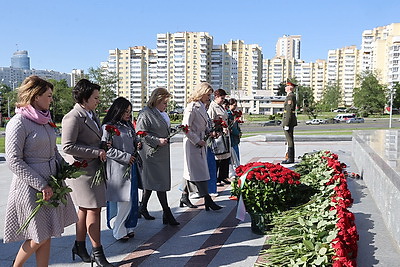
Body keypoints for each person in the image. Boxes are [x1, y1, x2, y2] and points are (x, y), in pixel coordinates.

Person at [4, 76, 77, 266]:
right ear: (36, 96)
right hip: (31, 187)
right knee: (38, 236)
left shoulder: (45, 120)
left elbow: (54, 151)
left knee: (47, 233)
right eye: (49, 95)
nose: (51, 99)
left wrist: (66, 168)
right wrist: (40, 184)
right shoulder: (18, 122)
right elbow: (13, 159)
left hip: (51, 182)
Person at [62, 79, 113, 266]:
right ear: (85, 97)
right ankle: (98, 253)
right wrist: (95, 151)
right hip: (82, 171)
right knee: (94, 209)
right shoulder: (73, 116)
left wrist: (101, 145)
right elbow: (67, 146)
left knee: (85, 209)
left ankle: (80, 245)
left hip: (93, 168)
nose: (98, 101)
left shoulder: (91, 114)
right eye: (96, 97)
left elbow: (89, 139)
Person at [135, 88, 179, 226]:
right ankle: (167, 213)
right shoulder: (146, 113)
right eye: (164, 103)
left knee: (153, 181)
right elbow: (140, 133)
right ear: (157, 100)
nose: (166, 105)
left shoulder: (160, 113)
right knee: (160, 182)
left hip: (160, 153)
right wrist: (156, 141)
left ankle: (142, 207)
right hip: (151, 154)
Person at [101, 97, 140, 241]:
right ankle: (118, 230)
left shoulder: (128, 125)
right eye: (126, 111)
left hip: (131, 166)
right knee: (122, 199)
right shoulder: (108, 127)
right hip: (117, 167)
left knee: (131, 199)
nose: (128, 114)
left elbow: (133, 140)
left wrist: (138, 143)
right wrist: (125, 157)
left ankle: (127, 226)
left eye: (130, 111)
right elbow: (106, 149)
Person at [181, 82, 222, 211]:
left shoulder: (202, 106)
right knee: (198, 172)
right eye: (208, 95)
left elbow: (204, 125)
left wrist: (210, 133)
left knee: (194, 171)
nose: (209, 97)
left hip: (201, 142)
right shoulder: (191, 107)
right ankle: (207, 199)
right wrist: (197, 140)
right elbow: (185, 128)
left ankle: (185, 195)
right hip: (193, 144)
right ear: (202, 93)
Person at [207, 89, 231, 186]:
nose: (223, 100)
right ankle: (216, 179)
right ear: (216, 97)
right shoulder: (212, 107)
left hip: (225, 133)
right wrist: (217, 129)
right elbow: (211, 121)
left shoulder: (221, 107)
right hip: (218, 135)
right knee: (218, 157)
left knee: (225, 157)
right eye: (221, 98)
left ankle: (223, 176)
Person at [281, 81, 298, 164]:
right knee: (289, 139)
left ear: (290, 87)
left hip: (288, 121)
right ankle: (289, 157)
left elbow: (289, 111)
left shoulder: (290, 97)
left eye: (286, 86)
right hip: (289, 120)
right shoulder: (290, 96)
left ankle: (290, 158)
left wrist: (286, 123)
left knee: (289, 140)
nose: (285, 88)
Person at [227, 98, 242, 167]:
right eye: (234, 105)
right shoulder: (228, 114)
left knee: (237, 157)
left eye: (236, 105)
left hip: (235, 139)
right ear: (229, 105)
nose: (235, 107)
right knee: (234, 158)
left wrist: (239, 131)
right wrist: (237, 133)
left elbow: (236, 125)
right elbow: (231, 128)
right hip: (231, 139)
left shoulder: (234, 114)